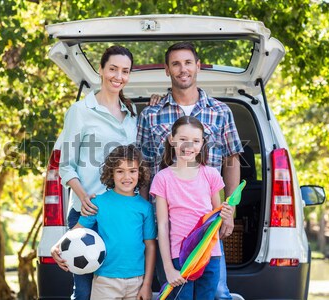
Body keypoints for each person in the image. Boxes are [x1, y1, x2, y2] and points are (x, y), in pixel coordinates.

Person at [137, 42, 242, 299]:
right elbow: (143, 168)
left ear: (197, 66)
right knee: (176, 287)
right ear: (167, 69)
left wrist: (229, 210)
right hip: (167, 219)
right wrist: (141, 214)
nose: (182, 69)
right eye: (175, 64)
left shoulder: (220, 111)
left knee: (216, 291)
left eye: (187, 63)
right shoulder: (150, 114)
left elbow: (231, 160)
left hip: (207, 218)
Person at [57, 45, 138, 300]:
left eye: (125, 71)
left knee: (119, 288)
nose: (118, 76)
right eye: (113, 68)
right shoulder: (80, 111)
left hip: (121, 213)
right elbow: (66, 165)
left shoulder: (131, 113)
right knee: (84, 291)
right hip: (88, 211)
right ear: (101, 70)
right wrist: (82, 197)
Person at [52, 145, 157, 300]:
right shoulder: (98, 203)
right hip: (105, 281)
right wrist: (57, 245)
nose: (126, 177)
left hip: (137, 281)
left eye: (132, 171)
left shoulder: (145, 208)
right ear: (111, 173)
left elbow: (150, 245)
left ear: (140, 173)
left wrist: (147, 284)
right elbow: (77, 231)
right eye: (120, 171)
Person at [150, 116, 233, 299]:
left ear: (202, 143)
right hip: (179, 256)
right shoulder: (162, 178)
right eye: (182, 140)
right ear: (172, 140)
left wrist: (226, 214)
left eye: (195, 141)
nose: (189, 146)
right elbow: (162, 226)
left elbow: (217, 214)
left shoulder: (211, 175)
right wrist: (169, 269)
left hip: (210, 254)